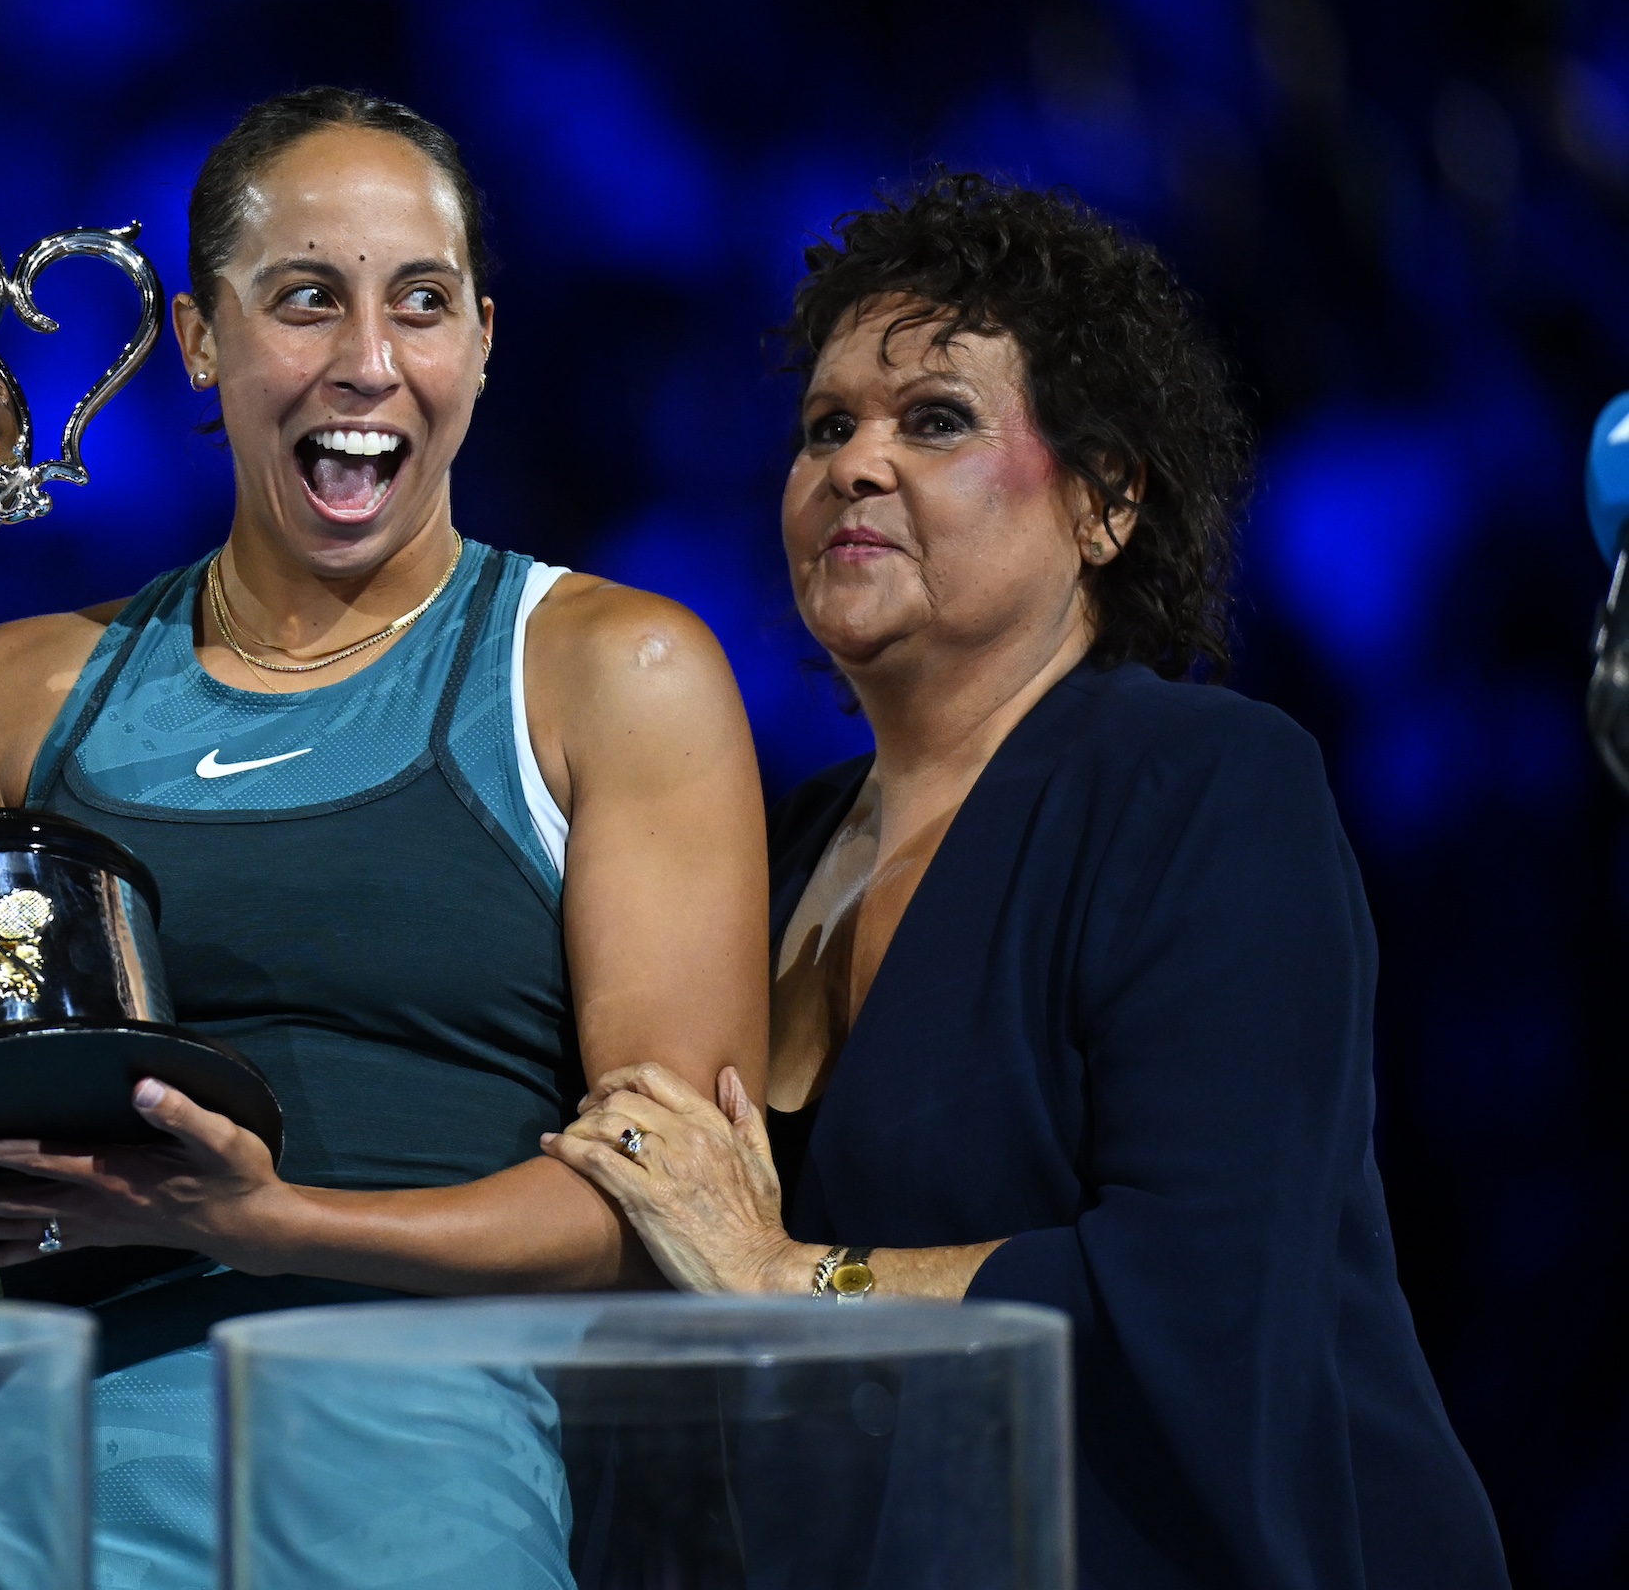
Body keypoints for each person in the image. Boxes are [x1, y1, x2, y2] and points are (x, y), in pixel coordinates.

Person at [0, 87, 771, 1588]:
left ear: (484, 342)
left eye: (421, 305)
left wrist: (272, 1222)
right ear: (198, 341)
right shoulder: (27, 682)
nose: (368, 363)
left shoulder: (609, 671)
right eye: (305, 299)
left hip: (397, 1482)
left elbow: (667, 1214)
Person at [544, 173, 1508, 1589]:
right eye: (825, 429)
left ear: (1106, 500)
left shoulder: (1203, 784)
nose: (853, 466)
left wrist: (787, 1276)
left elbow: (1207, 1281)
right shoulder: (780, 845)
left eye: (934, 419)